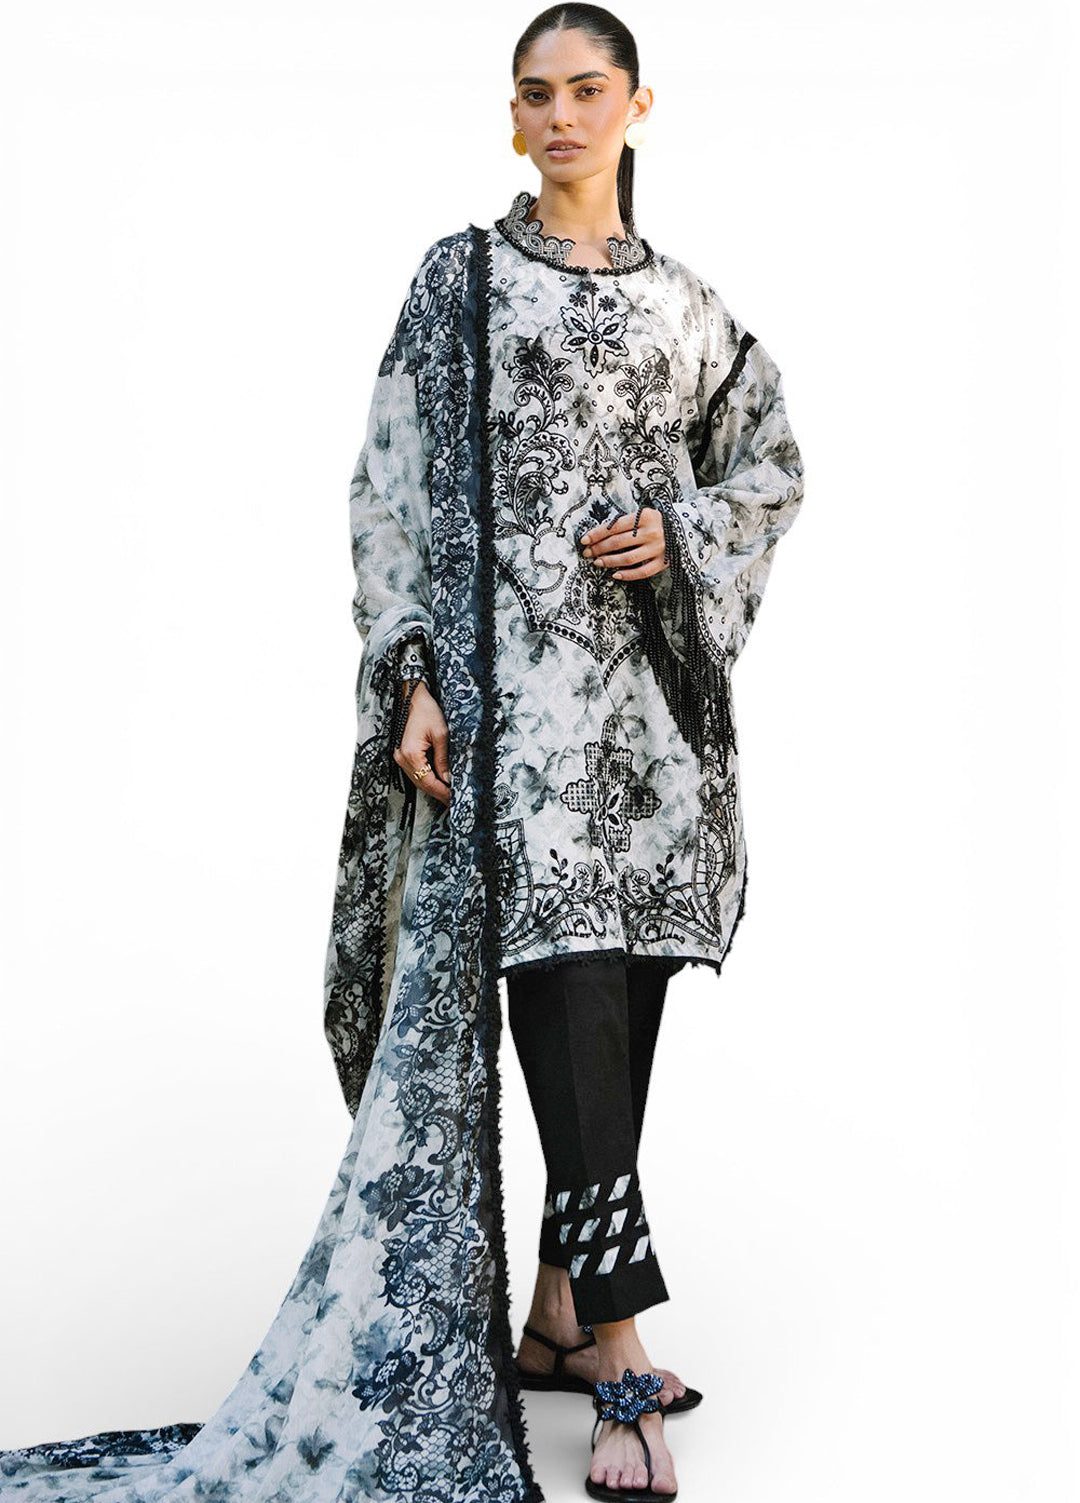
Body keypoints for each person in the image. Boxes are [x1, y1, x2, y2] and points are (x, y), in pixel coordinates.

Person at [0, 7, 804, 1503]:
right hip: (515, 727)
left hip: (653, 734)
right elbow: (389, 487)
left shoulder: (693, 308)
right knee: (564, 985)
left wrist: (679, 532)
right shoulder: (463, 280)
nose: (560, 116)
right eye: (534, 95)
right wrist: (414, 672)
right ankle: (624, 1345)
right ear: (513, 119)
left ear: (639, 106)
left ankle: (555, 1314)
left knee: (621, 1000)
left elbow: (769, 464)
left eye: (587, 91)